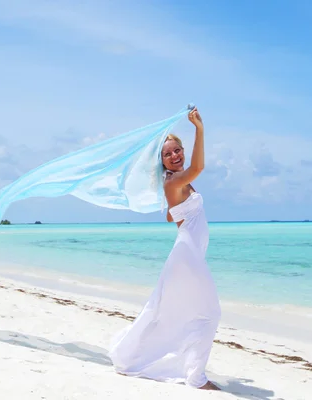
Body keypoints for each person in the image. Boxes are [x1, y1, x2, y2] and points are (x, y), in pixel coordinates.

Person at [108, 107, 222, 390]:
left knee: (176, 311)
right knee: (209, 313)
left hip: (189, 254)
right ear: (161, 162)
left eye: (177, 150)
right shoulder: (174, 180)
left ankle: (178, 366)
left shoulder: (176, 183)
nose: (175, 156)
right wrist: (200, 129)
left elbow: (173, 214)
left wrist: (175, 212)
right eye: (167, 154)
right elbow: (198, 168)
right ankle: (196, 378)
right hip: (187, 255)